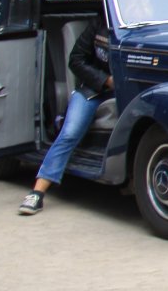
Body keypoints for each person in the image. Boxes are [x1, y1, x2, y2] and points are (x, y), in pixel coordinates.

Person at [18, 12, 112, 216]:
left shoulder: (153, 24)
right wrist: (105, 80)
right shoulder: (100, 23)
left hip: (129, 93)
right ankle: (37, 192)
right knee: (70, 133)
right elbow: (76, 59)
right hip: (93, 91)